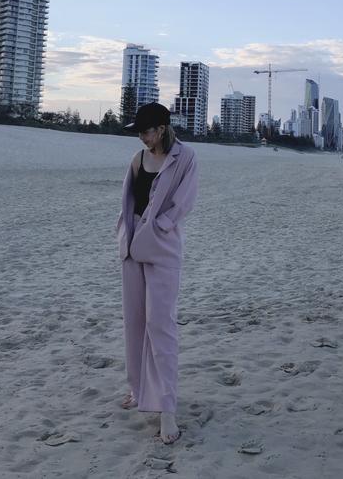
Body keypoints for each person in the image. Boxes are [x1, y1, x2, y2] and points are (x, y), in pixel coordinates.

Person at [116, 102, 198, 444]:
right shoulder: (137, 159)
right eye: (138, 131)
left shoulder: (185, 157)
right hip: (132, 247)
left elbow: (184, 202)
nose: (141, 136)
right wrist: (126, 233)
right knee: (134, 322)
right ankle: (138, 390)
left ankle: (166, 408)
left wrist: (159, 226)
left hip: (163, 248)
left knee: (160, 324)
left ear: (161, 129)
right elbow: (128, 202)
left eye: (146, 131)